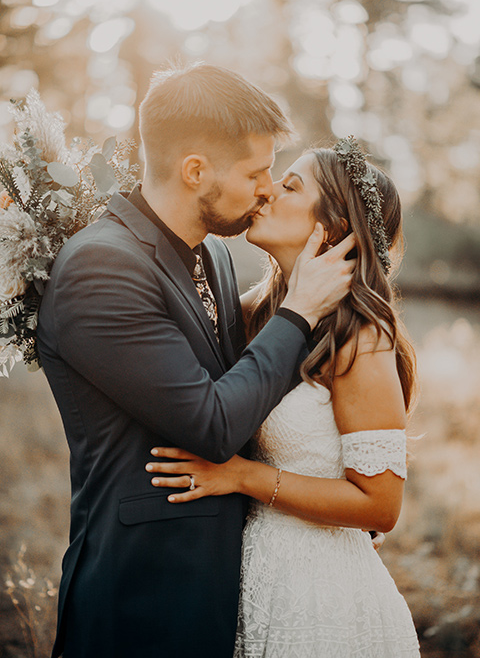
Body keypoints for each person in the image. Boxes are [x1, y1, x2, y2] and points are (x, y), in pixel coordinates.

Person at [36, 64, 355, 658]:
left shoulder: (215, 253)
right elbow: (212, 425)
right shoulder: (100, 268)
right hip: (141, 599)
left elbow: (249, 386)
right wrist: (301, 310)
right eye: (256, 173)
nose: (267, 188)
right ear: (195, 171)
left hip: (233, 591)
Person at [146, 138, 421, 657]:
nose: (267, 190)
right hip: (246, 578)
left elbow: (380, 507)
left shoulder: (361, 339)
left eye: (290, 185)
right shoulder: (252, 313)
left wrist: (241, 476)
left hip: (323, 599)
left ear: (334, 226)